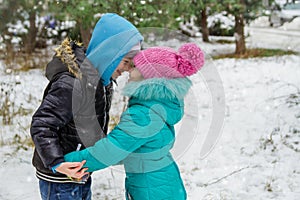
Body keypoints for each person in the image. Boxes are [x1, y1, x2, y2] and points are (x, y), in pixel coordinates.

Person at [64, 43, 205, 199]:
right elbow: (128, 150)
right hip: (161, 187)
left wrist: (65, 162)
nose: (129, 69)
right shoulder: (154, 106)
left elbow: (112, 150)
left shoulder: (144, 114)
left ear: (149, 75)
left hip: (153, 192)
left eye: (136, 66)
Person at [30, 13, 143, 200]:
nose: (127, 69)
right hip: (59, 177)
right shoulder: (73, 83)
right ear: (109, 54)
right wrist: (57, 162)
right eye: (125, 62)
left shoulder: (100, 82)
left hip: (79, 172)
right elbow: (42, 125)